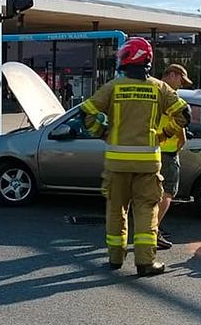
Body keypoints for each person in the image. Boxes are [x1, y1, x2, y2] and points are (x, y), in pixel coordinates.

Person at [80, 37, 190, 276]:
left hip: (117, 162)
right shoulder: (160, 88)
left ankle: (115, 258)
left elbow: (86, 113)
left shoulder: (113, 87)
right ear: (148, 61)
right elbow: (184, 114)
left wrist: (103, 133)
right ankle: (145, 262)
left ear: (125, 60)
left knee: (115, 210)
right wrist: (162, 135)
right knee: (146, 211)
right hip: (148, 163)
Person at [156, 64, 193, 250]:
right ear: (171, 75)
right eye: (181, 80)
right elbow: (181, 129)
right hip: (167, 153)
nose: (181, 85)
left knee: (149, 195)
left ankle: (147, 229)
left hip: (150, 150)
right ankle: (152, 231)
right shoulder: (171, 97)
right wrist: (178, 147)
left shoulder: (153, 93)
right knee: (167, 193)